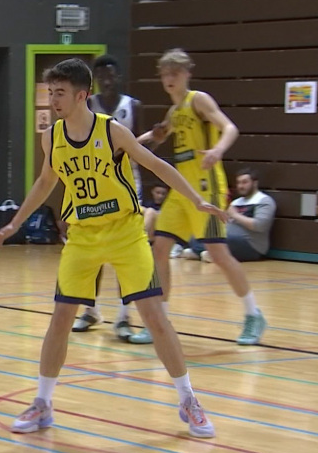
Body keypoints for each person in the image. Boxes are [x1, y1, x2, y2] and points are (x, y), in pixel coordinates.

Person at [0, 59, 223, 438]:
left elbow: (157, 165)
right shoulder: (53, 137)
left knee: (154, 316)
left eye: (60, 93)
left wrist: (196, 200)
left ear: (82, 95)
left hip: (125, 232)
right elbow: (46, 180)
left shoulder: (112, 131)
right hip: (82, 235)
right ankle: (43, 403)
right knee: (60, 319)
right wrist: (15, 222)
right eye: (50, 93)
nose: (53, 99)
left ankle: (188, 401)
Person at [138, 49, 266, 346]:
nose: (169, 79)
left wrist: (219, 150)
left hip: (206, 185)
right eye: (165, 74)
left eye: (175, 73)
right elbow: (155, 137)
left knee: (218, 253)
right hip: (181, 189)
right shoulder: (174, 112)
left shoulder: (198, 100)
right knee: (160, 249)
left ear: (186, 74)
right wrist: (124, 143)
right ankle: (160, 322)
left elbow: (230, 127)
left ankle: (254, 314)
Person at [72, 55, 148, 343]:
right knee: (92, 253)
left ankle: (124, 316)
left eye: (110, 74)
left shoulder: (133, 106)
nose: (106, 79)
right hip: (96, 187)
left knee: (124, 255)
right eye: (100, 75)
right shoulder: (87, 107)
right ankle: (90, 310)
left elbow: (145, 146)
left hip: (129, 186)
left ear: (117, 77)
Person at [183, 169, 277, 263]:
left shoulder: (264, 201)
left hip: (251, 245)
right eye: (238, 183)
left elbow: (259, 225)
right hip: (229, 237)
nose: (241, 186)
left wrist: (235, 215)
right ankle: (204, 252)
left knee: (221, 238)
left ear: (255, 183)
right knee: (198, 234)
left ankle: (206, 253)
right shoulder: (236, 202)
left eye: (244, 182)